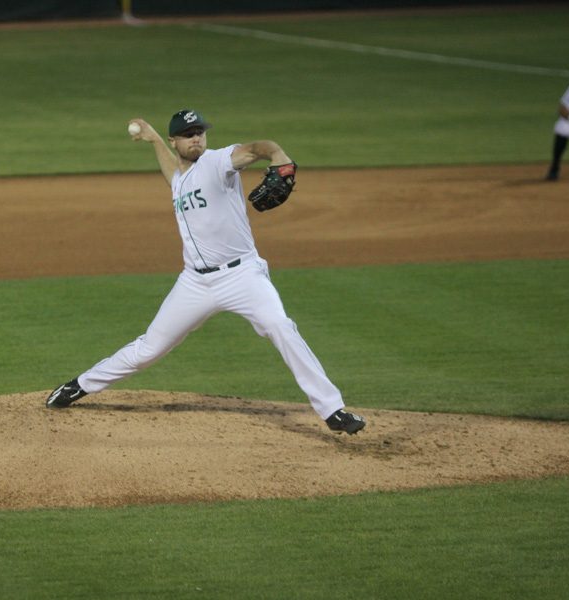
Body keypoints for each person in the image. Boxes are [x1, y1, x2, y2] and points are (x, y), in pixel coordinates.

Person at [46, 109, 366, 435]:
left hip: (242, 277)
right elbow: (172, 170)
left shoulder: (219, 162)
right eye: (188, 134)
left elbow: (259, 148)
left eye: (200, 131)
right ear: (176, 141)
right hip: (195, 283)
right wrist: (153, 137)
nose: (196, 137)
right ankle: (78, 386)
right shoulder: (180, 179)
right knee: (149, 349)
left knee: (280, 326)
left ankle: (332, 410)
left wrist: (278, 155)